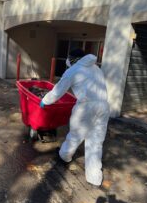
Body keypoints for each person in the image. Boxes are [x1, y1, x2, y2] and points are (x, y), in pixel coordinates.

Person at [40, 49, 110, 186]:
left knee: (76, 135)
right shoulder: (96, 68)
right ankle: (94, 177)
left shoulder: (73, 70)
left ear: (73, 59)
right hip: (103, 106)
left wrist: (45, 100)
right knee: (96, 142)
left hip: (86, 107)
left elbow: (57, 91)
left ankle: (65, 156)